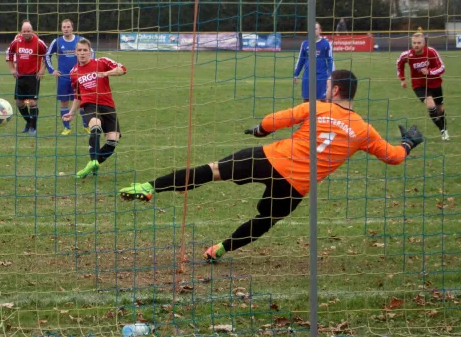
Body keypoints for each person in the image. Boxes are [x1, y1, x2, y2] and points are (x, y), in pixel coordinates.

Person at [119, 70, 424, 262]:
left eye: (327, 85)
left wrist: (260, 130)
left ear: (335, 92)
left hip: (270, 158)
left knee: (212, 171)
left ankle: (148, 187)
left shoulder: (316, 107)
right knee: (265, 220)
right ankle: (220, 250)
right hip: (295, 186)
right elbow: (394, 156)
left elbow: (276, 120)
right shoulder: (364, 131)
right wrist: (409, 143)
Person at [62, 39, 127, 178]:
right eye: (79, 50)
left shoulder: (101, 62)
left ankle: (94, 163)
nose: (82, 53)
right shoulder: (74, 73)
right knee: (95, 127)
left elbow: (122, 69)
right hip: (90, 104)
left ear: (90, 51)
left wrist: (106, 73)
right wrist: (71, 113)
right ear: (75, 52)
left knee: (112, 141)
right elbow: (78, 95)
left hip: (108, 105)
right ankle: (93, 161)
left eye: (85, 50)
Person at [397, 32, 449, 141]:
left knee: (440, 109)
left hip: (435, 83)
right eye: (414, 43)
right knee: (431, 106)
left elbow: (442, 68)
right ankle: (442, 131)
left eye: (419, 43)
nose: (416, 45)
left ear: (424, 43)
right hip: (419, 85)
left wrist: (429, 72)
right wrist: (402, 79)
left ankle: (444, 129)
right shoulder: (407, 55)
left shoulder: (431, 52)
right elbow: (399, 63)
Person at [45, 19, 91, 135]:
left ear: (72, 28)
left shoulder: (80, 40)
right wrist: (52, 70)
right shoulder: (57, 42)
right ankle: (67, 127)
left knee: (82, 102)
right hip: (63, 78)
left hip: (79, 77)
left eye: (68, 27)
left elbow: (92, 53)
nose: (66, 29)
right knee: (64, 103)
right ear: (61, 29)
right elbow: (46, 56)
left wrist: (87, 68)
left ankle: (86, 126)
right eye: (64, 27)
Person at [6, 20, 48, 135]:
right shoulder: (16, 41)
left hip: (33, 76)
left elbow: (47, 56)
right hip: (20, 76)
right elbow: (9, 54)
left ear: (32, 31)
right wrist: (12, 69)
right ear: (21, 32)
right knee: (19, 102)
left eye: (28, 31)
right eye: (24, 31)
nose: (26, 33)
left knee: (32, 102)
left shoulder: (39, 42)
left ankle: (33, 128)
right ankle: (29, 122)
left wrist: (42, 70)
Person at [293, 22, 334, 102]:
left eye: (315, 29)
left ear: (320, 30)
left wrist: (330, 76)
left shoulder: (326, 44)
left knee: (323, 100)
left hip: (321, 76)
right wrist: (296, 74)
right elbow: (301, 60)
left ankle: (322, 115)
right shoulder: (305, 44)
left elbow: (330, 60)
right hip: (307, 76)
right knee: (306, 100)